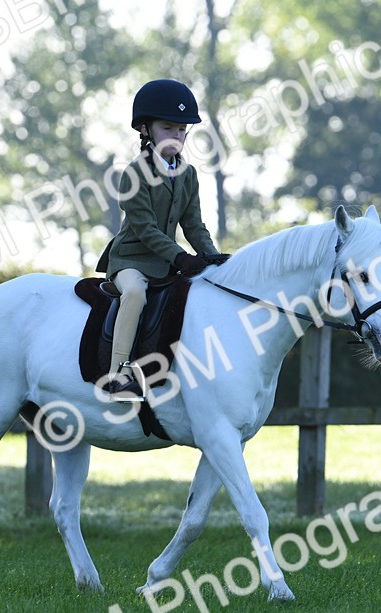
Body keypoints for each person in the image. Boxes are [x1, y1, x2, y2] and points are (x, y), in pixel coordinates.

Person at [95, 78, 220, 402]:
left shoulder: (188, 174)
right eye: (168, 128)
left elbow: (193, 224)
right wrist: (180, 257)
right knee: (135, 294)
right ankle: (119, 375)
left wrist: (211, 256)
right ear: (146, 130)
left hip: (166, 262)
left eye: (181, 131)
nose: (176, 137)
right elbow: (145, 228)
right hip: (131, 260)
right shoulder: (133, 173)